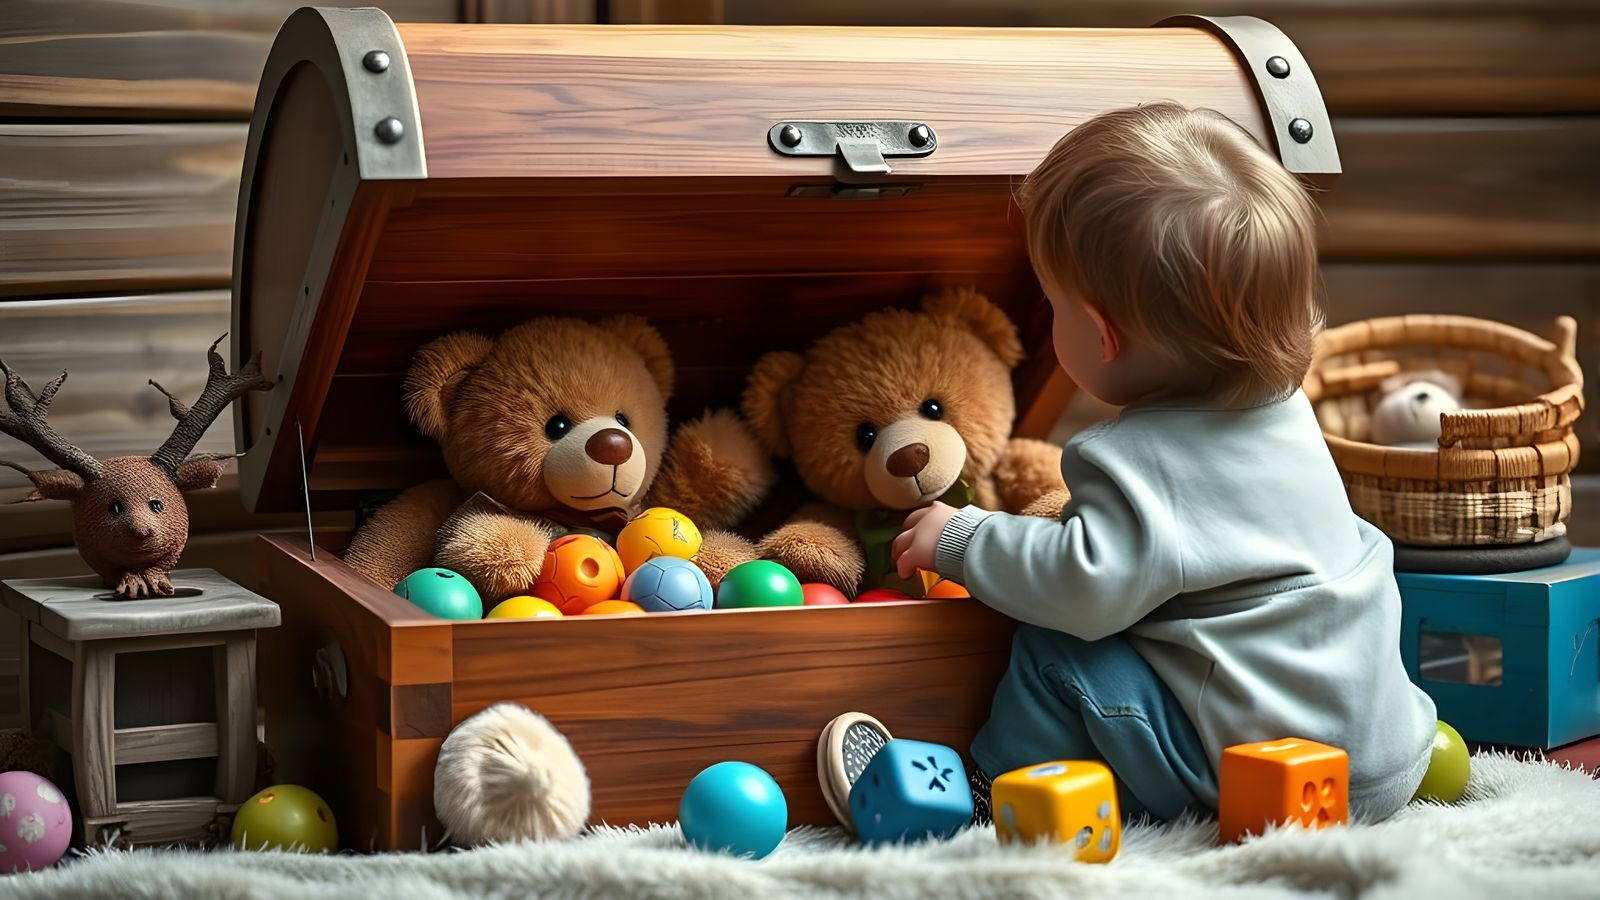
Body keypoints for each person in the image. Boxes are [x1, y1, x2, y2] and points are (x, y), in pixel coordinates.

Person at [889, 101, 1437, 823]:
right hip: (1385, 755)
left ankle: (993, 794)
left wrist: (963, 537)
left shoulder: (1130, 462)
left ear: (1102, 336)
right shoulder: (1288, 414)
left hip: (1251, 776)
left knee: (1055, 648)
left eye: (1052, 305)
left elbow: (1082, 586)